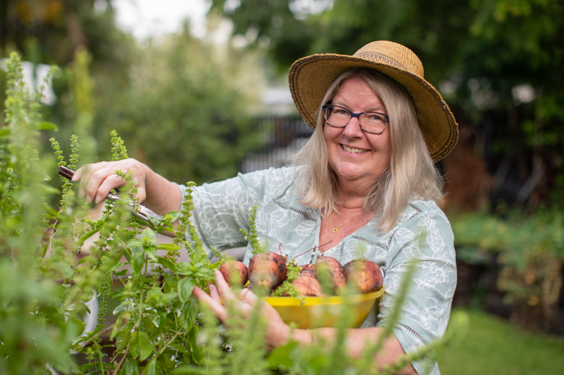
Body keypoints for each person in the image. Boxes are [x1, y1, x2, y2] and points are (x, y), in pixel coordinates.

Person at [74, 40, 459, 374]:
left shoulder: (422, 228)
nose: (351, 129)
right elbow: (192, 209)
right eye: (340, 111)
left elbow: (406, 353)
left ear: (403, 137)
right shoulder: (281, 189)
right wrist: (142, 174)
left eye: (375, 118)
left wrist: (286, 339)